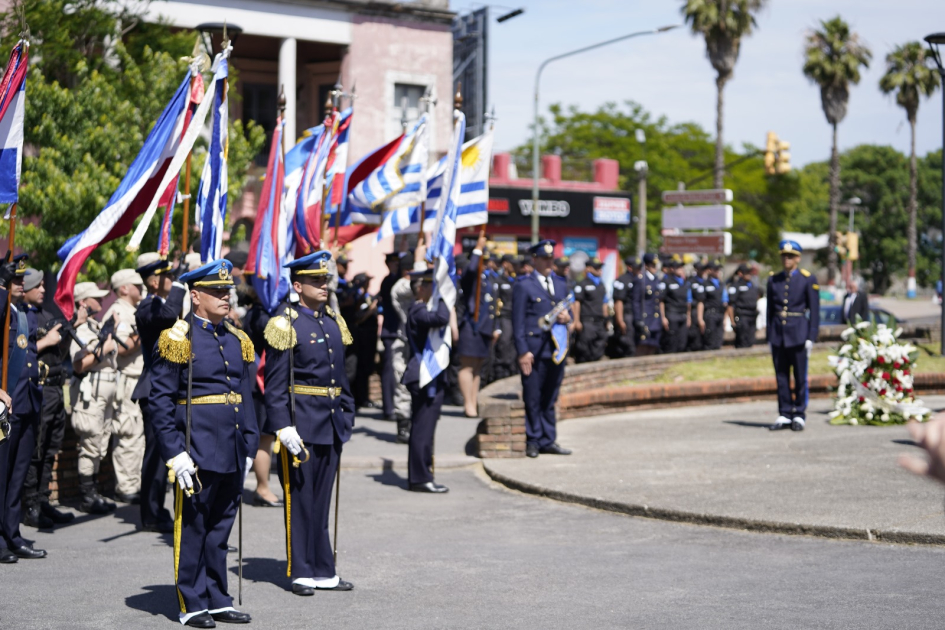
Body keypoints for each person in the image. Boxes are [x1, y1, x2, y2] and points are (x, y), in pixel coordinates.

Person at [150, 259, 258, 627]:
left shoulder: (236, 338)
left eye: (227, 291)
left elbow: (244, 396)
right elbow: (160, 402)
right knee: (193, 527)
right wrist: (175, 453)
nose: (225, 297)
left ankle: (217, 597)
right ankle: (191, 601)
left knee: (220, 529)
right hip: (195, 448)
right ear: (195, 296)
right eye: (216, 291)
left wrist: (249, 442)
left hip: (230, 446)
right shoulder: (177, 339)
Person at [264, 250, 356, 595]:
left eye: (325, 279)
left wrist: (347, 413)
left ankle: (323, 568)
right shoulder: (284, 323)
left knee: (321, 501)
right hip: (300, 426)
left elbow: (341, 376)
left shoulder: (332, 320)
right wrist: (283, 426)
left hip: (331, 423)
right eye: (316, 281)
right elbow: (274, 384)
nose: (323, 285)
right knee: (300, 501)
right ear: (297, 286)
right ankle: (300, 569)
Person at [0, 262, 51, 562]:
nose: (21, 283)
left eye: (22, 279)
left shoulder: (22, 314)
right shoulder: (4, 310)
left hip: (27, 401)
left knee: (18, 475)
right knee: (2, 475)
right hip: (8, 403)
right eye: (15, 279)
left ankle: (12, 533)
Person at [133, 255, 187, 533]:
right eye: (168, 276)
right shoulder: (147, 307)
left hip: (170, 387)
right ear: (154, 281)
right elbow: (168, 318)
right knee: (156, 454)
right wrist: (180, 285)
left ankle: (161, 507)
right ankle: (151, 513)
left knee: (169, 451)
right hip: (153, 388)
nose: (172, 280)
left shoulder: (163, 304)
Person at [23, 272, 75, 529]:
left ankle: (43, 501)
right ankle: (30, 504)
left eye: (44, 284)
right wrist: (46, 341)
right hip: (39, 389)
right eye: (38, 285)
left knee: (51, 449)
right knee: (37, 449)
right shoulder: (22, 315)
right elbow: (20, 350)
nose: (43, 289)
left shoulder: (45, 314)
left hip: (55, 387)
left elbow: (59, 353)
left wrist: (66, 334)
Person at [512, 240, 572, 459]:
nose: (548, 263)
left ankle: (549, 439)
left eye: (551, 259)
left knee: (550, 397)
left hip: (555, 349)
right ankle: (533, 439)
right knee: (533, 396)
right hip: (533, 350)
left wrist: (568, 318)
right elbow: (517, 322)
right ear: (534, 260)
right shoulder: (524, 285)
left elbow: (567, 312)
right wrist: (522, 351)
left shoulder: (561, 283)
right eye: (544, 259)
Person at [70, 281, 122, 514]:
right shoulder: (80, 327)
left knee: (100, 443)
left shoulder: (94, 324)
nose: (101, 302)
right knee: (90, 443)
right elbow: (80, 364)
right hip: (91, 391)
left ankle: (94, 491)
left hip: (106, 390)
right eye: (96, 298)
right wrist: (105, 345)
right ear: (83, 302)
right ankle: (87, 494)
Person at [402, 268, 452, 492]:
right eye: (432, 285)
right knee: (423, 429)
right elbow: (441, 318)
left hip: (429, 374)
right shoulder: (417, 309)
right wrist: (443, 295)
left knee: (425, 428)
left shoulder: (422, 307)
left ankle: (423, 474)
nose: (435, 290)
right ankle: (420, 477)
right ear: (420, 288)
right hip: (423, 375)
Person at [101, 268, 146, 504]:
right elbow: (123, 346)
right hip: (127, 380)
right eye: (137, 285)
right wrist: (144, 332)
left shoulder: (131, 310)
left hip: (137, 380)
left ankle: (134, 483)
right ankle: (126, 486)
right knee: (129, 434)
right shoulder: (118, 310)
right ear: (124, 288)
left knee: (138, 436)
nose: (142, 288)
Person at [767, 240, 820, 432]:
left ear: (798, 258)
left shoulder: (807, 279)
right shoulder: (774, 279)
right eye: (784, 255)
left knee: (799, 376)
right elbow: (770, 310)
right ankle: (784, 412)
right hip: (778, 334)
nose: (786, 259)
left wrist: (811, 336)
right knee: (781, 376)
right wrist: (769, 335)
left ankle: (799, 414)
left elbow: (814, 310)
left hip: (798, 333)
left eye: (790, 256)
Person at [241, 286, 282, 508]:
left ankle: (262, 486)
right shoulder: (261, 315)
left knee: (265, 437)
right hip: (260, 380)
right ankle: (262, 488)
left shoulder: (257, 312)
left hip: (261, 380)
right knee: (263, 437)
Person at [458, 234, 498, 417]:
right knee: (467, 366)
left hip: (484, 327)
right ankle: (468, 404)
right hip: (471, 326)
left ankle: (474, 400)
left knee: (477, 367)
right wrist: (478, 247)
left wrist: (494, 327)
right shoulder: (471, 274)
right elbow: (472, 268)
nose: (488, 262)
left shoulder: (488, 278)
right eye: (484, 258)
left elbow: (492, 304)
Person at [389, 252, 420, 442]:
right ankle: (403, 424)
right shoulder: (401, 286)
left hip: (421, 343)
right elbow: (411, 289)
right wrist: (419, 264)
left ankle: (416, 422)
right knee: (401, 382)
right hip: (404, 341)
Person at [378, 252, 403, 420]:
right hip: (391, 332)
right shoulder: (388, 281)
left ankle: (399, 405)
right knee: (389, 371)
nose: (397, 265)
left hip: (399, 331)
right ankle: (389, 408)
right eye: (394, 263)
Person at [573, 256, 608, 363]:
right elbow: (577, 303)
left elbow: (604, 303)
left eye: (600, 267)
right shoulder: (582, 284)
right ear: (588, 269)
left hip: (600, 322)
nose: (599, 270)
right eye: (596, 267)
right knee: (584, 348)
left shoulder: (601, 284)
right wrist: (576, 321)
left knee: (599, 345)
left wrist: (606, 319)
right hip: (587, 321)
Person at [351, 272, 378, 410]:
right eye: (366, 281)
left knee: (368, 368)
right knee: (359, 370)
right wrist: (370, 311)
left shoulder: (369, 297)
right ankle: (359, 398)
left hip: (370, 338)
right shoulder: (357, 297)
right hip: (361, 338)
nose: (368, 284)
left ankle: (365, 397)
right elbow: (357, 318)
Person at [492, 254, 519, 379]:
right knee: (504, 344)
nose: (516, 266)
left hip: (515, 317)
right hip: (504, 317)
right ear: (505, 264)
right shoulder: (498, 280)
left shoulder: (517, 280)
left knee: (514, 345)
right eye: (513, 263)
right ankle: (501, 374)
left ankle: (512, 371)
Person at [632, 254, 663, 356]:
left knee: (653, 346)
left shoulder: (656, 279)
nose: (655, 268)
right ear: (646, 266)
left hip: (655, 318)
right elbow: (636, 301)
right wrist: (638, 319)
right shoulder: (641, 280)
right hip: (645, 318)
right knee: (642, 347)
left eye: (655, 265)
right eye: (652, 265)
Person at [659, 255, 691, 354]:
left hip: (683, 315)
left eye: (682, 267)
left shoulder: (685, 283)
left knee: (682, 343)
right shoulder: (666, 281)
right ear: (672, 269)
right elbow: (661, 300)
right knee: (671, 343)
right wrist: (663, 317)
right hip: (672, 315)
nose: (681, 270)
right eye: (678, 267)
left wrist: (689, 317)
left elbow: (688, 302)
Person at [610, 256, 638, 359]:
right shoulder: (623, 280)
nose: (639, 270)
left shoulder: (637, 279)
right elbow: (618, 301)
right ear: (630, 267)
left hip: (634, 315)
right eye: (637, 267)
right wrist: (620, 320)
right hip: (626, 315)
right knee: (626, 344)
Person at [727, 264, 760, 349]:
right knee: (742, 341)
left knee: (751, 341)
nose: (749, 275)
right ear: (740, 273)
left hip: (752, 316)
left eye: (750, 272)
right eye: (747, 273)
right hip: (742, 316)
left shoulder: (752, 285)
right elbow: (730, 305)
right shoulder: (735, 286)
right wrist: (732, 322)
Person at [687, 261, 706, 352]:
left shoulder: (707, 281)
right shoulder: (691, 282)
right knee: (695, 338)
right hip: (695, 312)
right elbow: (689, 302)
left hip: (706, 312)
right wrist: (689, 316)